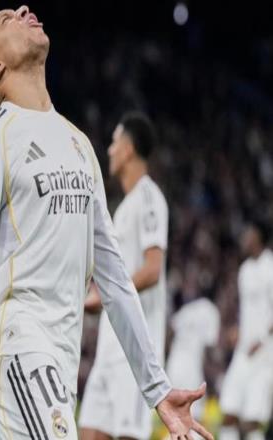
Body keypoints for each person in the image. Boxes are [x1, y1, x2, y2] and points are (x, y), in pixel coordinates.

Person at [0, 6, 213, 440]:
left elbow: (114, 279)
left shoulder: (79, 143)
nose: (23, 10)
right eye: (6, 19)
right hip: (14, 341)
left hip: (61, 356)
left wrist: (157, 389)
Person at [78, 112, 169, 440]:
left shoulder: (149, 197)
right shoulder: (124, 207)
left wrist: (104, 297)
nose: (110, 150)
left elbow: (153, 269)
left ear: (129, 149)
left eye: (115, 143)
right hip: (108, 347)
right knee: (88, 432)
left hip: (134, 353)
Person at [219, 222, 273, 440]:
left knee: (252, 420)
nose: (244, 239)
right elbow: (246, 311)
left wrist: (261, 339)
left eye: (248, 234)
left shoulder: (270, 267)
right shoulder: (245, 270)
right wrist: (238, 330)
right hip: (243, 351)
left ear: (258, 236)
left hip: (265, 353)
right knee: (228, 413)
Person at [165, 293, 221, 422]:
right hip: (192, 369)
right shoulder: (210, 310)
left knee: (172, 417)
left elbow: (170, 332)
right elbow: (210, 350)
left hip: (173, 366)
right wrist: (212, 384)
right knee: (192, 418)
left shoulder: (187, 309)